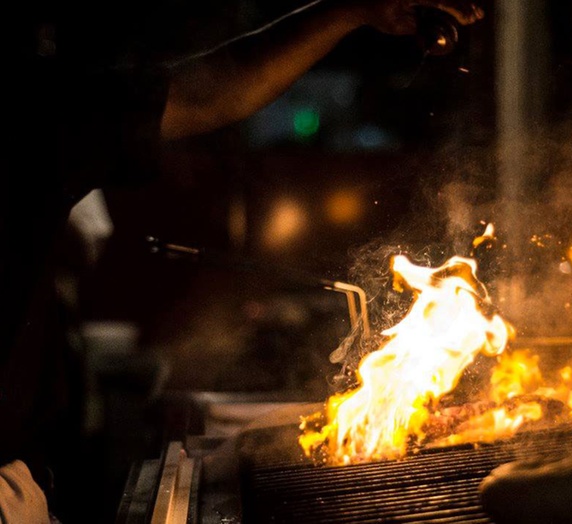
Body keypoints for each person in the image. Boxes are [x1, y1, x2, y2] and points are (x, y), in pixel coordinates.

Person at [0, 0, 484, 521]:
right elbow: (208, 92)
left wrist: (349, 10)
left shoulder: (34, 104)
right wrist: (349, 10)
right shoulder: (24, 106)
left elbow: (207, 91)